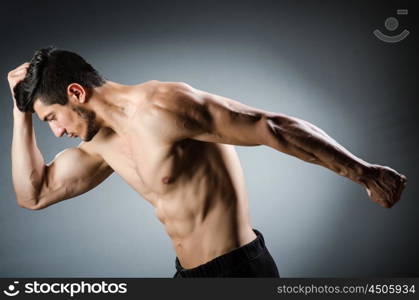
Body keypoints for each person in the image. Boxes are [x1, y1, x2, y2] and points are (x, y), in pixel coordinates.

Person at [8, 47, 407, 278]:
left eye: (52, 118)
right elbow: (34, 195)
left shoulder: (163, 107)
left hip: (238, 271)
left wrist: (363, 172)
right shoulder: (100, 145)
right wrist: (20, 111)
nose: (57, 133)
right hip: (188, 274)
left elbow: (271, 127)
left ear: (76, 93)